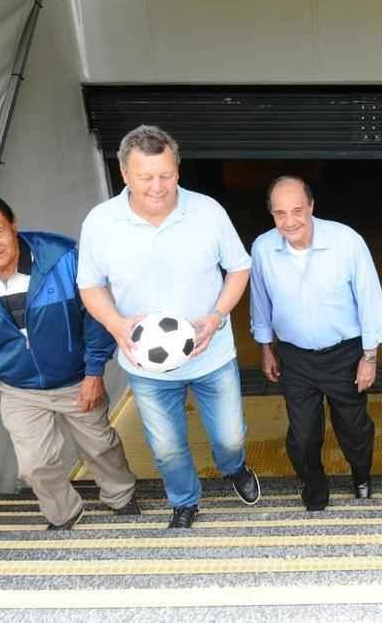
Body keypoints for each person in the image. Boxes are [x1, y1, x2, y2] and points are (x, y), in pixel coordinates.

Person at [77, 125, 260, 529]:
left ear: (177, 170)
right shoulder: (101, 222)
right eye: (146, 177)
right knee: (167, 447)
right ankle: (184, 500)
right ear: (125, 174)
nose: (158, 186)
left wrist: (215, 317)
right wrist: (116, 324)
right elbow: (90, 285)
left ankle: (234, 467)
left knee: (230, 436)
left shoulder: (208, 211)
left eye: (166, 174)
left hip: (211, 353)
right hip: (146, 365)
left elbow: (239, 267)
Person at [0, 195, 139, 531]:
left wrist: (94, 371)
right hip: (19, 388)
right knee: (34, 465)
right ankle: (64, 515)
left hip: (76, 379)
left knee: (101, 447)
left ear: (14, 225)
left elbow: (95, 316)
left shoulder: (64, 259)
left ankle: (121, 497)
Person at [249, 176, 382, 511]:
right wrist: (266, 347)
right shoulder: (263, 248)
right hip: (295, 357)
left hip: (345, 353)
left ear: (311, 206)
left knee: (353, 427)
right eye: (280, 213)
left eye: (297, 210)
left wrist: (369, 357)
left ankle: (361, 475)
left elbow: (370, 299)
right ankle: (314, 490)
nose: (290, 221)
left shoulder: (347, 241)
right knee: (302, 435)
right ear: (271, 214)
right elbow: (260, 301)